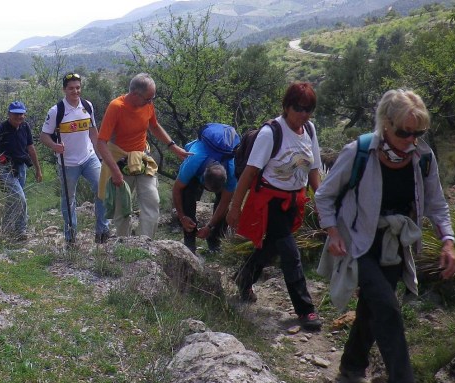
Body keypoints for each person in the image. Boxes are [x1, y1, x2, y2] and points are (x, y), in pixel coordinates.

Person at [314, 89, 455, 383]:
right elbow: (324, 195)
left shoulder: (423, 157)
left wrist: (448, 242)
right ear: (386, 123)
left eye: (418, 132)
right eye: (404, 132)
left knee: (372, 307)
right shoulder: (359, 152)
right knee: (388, 308)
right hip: (358, 243)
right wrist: (333, 232)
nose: (411, 140)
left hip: (395, 244)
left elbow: (436, 203)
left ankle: (352, 365)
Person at [225, 82, 323, 331]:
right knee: (290, 253)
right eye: (299, 108)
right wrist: (235, 208)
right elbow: (249, 173)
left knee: (270, 246)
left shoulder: (309, 130)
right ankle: (305, 310)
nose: (304, 114)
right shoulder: (271, 133)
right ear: (287, 106)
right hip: (270, 202)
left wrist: (321, 202)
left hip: (295, 201)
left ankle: (244, 277)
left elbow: (314, 169)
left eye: (308, 109)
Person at [96, 73, 190, 238]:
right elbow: (101, 142)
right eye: (148, 99)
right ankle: (124, 245)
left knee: (152, 202)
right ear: (134, 94)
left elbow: (154, 126)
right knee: (122, 210)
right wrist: (115, 172)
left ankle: (144, 243)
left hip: (141, 159)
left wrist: (174, 147)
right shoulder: (116, 107)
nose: (150, 102)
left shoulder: (147, 104)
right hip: (119, 162)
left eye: (152, 98)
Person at [39, 72, 111, 245]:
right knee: (69, 199)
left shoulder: (87, 106)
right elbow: (44, 136)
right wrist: (54, 146)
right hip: (68, 163)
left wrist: (101, 155)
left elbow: (93, 132)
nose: (75, 91)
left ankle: (102, 231)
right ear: (64, 89)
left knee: (102, 189)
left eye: (78, 87)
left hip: (89, 157)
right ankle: (71, 237)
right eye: (71, 88)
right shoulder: (56, 111)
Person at [171, 123, 239, 253]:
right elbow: (176, 189)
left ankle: (215, 242)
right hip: (198, 162)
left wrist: (209, 226)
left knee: (223, 205)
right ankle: (189, 244)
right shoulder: (193, 161)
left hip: (216, 170)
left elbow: (224, 203)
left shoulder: (232, 172)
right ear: (202, 179)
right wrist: (182, 217)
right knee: (187, 193)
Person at [0, 101, 42, 241]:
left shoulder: (25, 127)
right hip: (5, 168)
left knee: (12, 199)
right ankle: (21, 229)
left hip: (21, 167)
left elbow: (31, 148)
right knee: (20, 198)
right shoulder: (1, 129)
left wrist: (38, 169)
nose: (19, 117)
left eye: (21, 114)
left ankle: (6, 229)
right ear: (9, 114)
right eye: (16, 114)